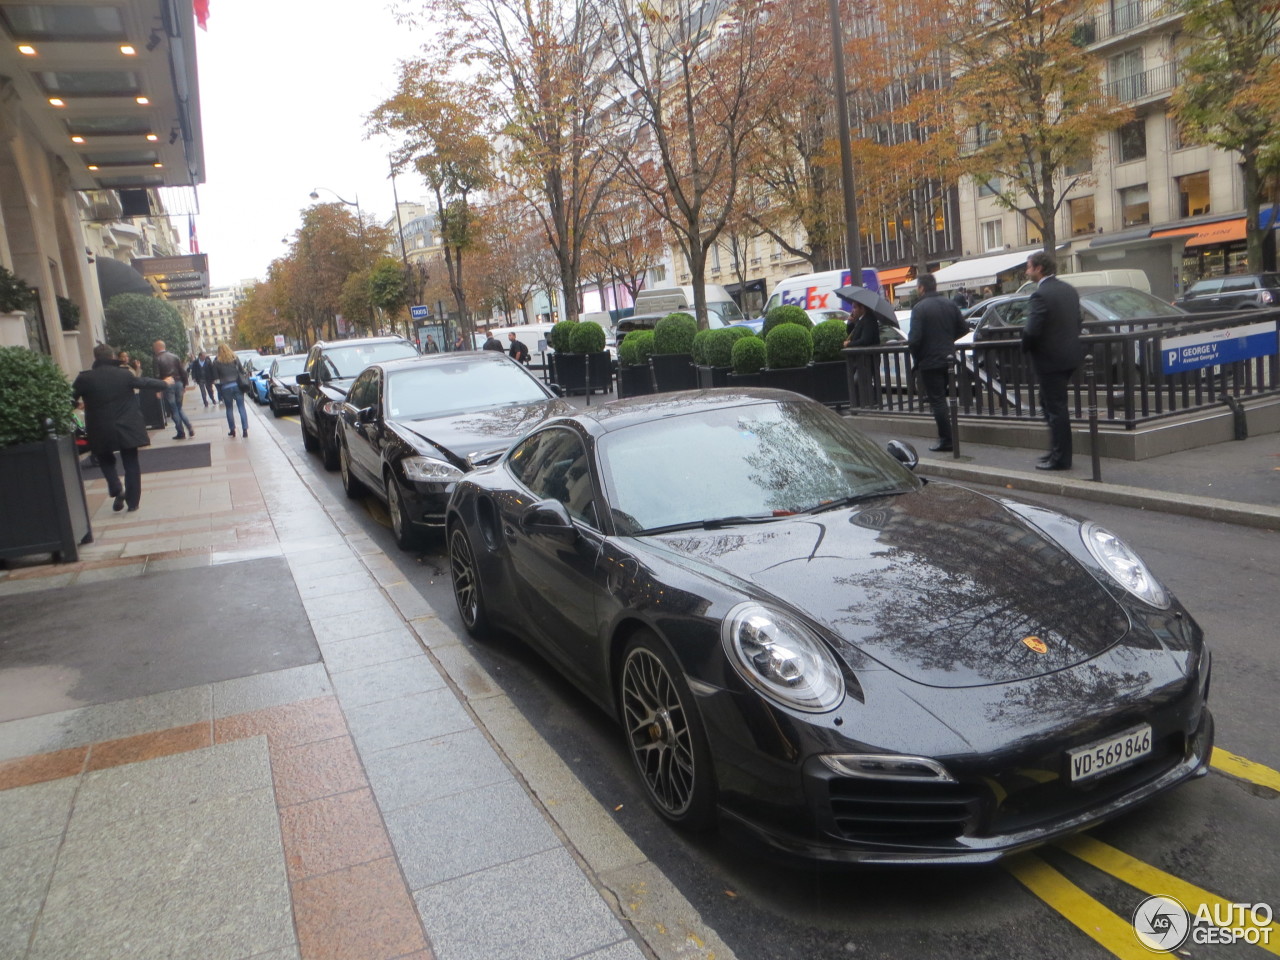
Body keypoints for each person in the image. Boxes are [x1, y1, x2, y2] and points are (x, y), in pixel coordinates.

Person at [72, 344, 172, 513]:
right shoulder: (124, 374)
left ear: (96, 358)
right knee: (131, 461)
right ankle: (133, 502)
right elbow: (144, 382)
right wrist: (164, 383)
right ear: (113, 357)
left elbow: (68, 397)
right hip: (127, 425)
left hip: (99, 427)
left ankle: (116, 487)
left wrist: (78, 404)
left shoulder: (85, 378)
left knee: (105, 458)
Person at [1022, 251, 1084, 471]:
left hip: (1050, 359)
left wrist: (1025, 347)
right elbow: (1078, 322)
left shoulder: (1040, 295)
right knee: (1049, 404)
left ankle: (1061, 459)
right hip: (1069, 356)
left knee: (1055, 408)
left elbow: (1031, 330)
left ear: (1039, 268)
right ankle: (1056, 451)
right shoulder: (1068, 290)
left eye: (1029, 267)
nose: (1027, 271)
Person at [908, 273, 968, 453]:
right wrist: (947, 341)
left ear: (921, 288)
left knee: (938, 401)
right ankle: (949, 439)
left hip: (929, 360)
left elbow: (914, 340)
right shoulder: (949, 304)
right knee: (947, 399)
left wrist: (918, 356)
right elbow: (964, 329)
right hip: (948, 357)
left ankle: (947, 439)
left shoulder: (919, 308)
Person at [152, 339, 193, 439]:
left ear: (157, 348)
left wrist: (158, 389)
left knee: (174, 409)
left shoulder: (157, 359)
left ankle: (181, 432)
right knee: (179, 407)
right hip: (178, 383)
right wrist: (184, 385)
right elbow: (182, 371)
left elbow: (157, 375)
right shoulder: (174, 356)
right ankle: (189, 426)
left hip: (167, 384)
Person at [213, 342, 250, 438]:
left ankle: (232, 430)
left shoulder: (216, 362)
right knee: (241, 407)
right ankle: (245, 429)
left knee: (229, 409)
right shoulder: (235, 359)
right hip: (237, 385)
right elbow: (242, 371)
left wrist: (219, 390)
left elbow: (216, 378)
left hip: (225, 387)